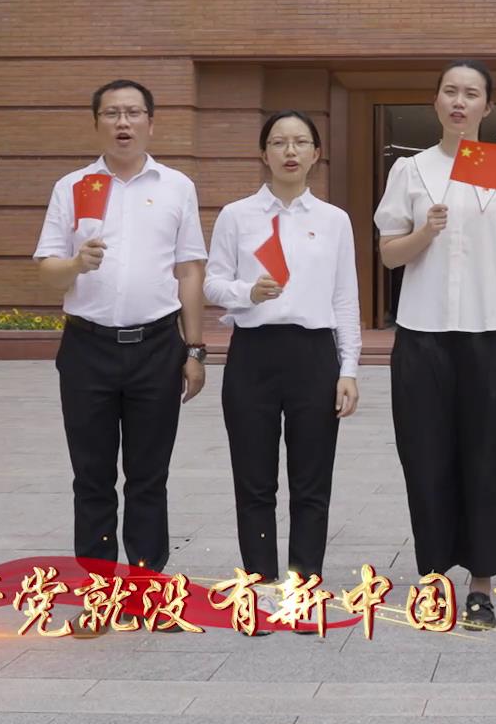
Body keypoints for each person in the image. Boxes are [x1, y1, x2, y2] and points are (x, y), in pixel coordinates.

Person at [374, 60, 496, 629]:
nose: (459, 102)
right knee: (425, 459)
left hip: (489, 333)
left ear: (488, 107)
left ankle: (482, 583)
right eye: (450, 92)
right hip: (422, 335)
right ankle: (434, 578)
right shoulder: (410, 170)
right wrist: (425, 231)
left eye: (471, 94)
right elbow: (388, 253)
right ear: (436, 102)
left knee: (486, 461)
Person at [33, 79, 207, 576]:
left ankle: (147, 586)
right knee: (91, 476)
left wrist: (195, 349)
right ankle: (99, 586)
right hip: (87, 347)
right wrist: (75, 264)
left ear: (151, 122)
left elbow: (190, 270)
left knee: (149, 476)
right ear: (97, 124)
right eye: (112, 113)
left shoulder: (176, 187)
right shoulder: (72, 187)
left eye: (133, 113)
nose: (123, 122)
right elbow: (48, 270)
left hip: (157, 346)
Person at [203, 110, 360, 626]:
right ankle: (261, 586)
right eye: (278, 142)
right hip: (253, 354)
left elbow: (345, 298)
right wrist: (247, 292)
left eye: (300, 142)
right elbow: (212, 283)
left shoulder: (334, 220)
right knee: (254, 482)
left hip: (314, 355)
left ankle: (304, 587)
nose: (290, 151)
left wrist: (349, 367)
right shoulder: (237, 216)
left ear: (316, 153)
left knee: (312, 482)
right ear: (263, 153)